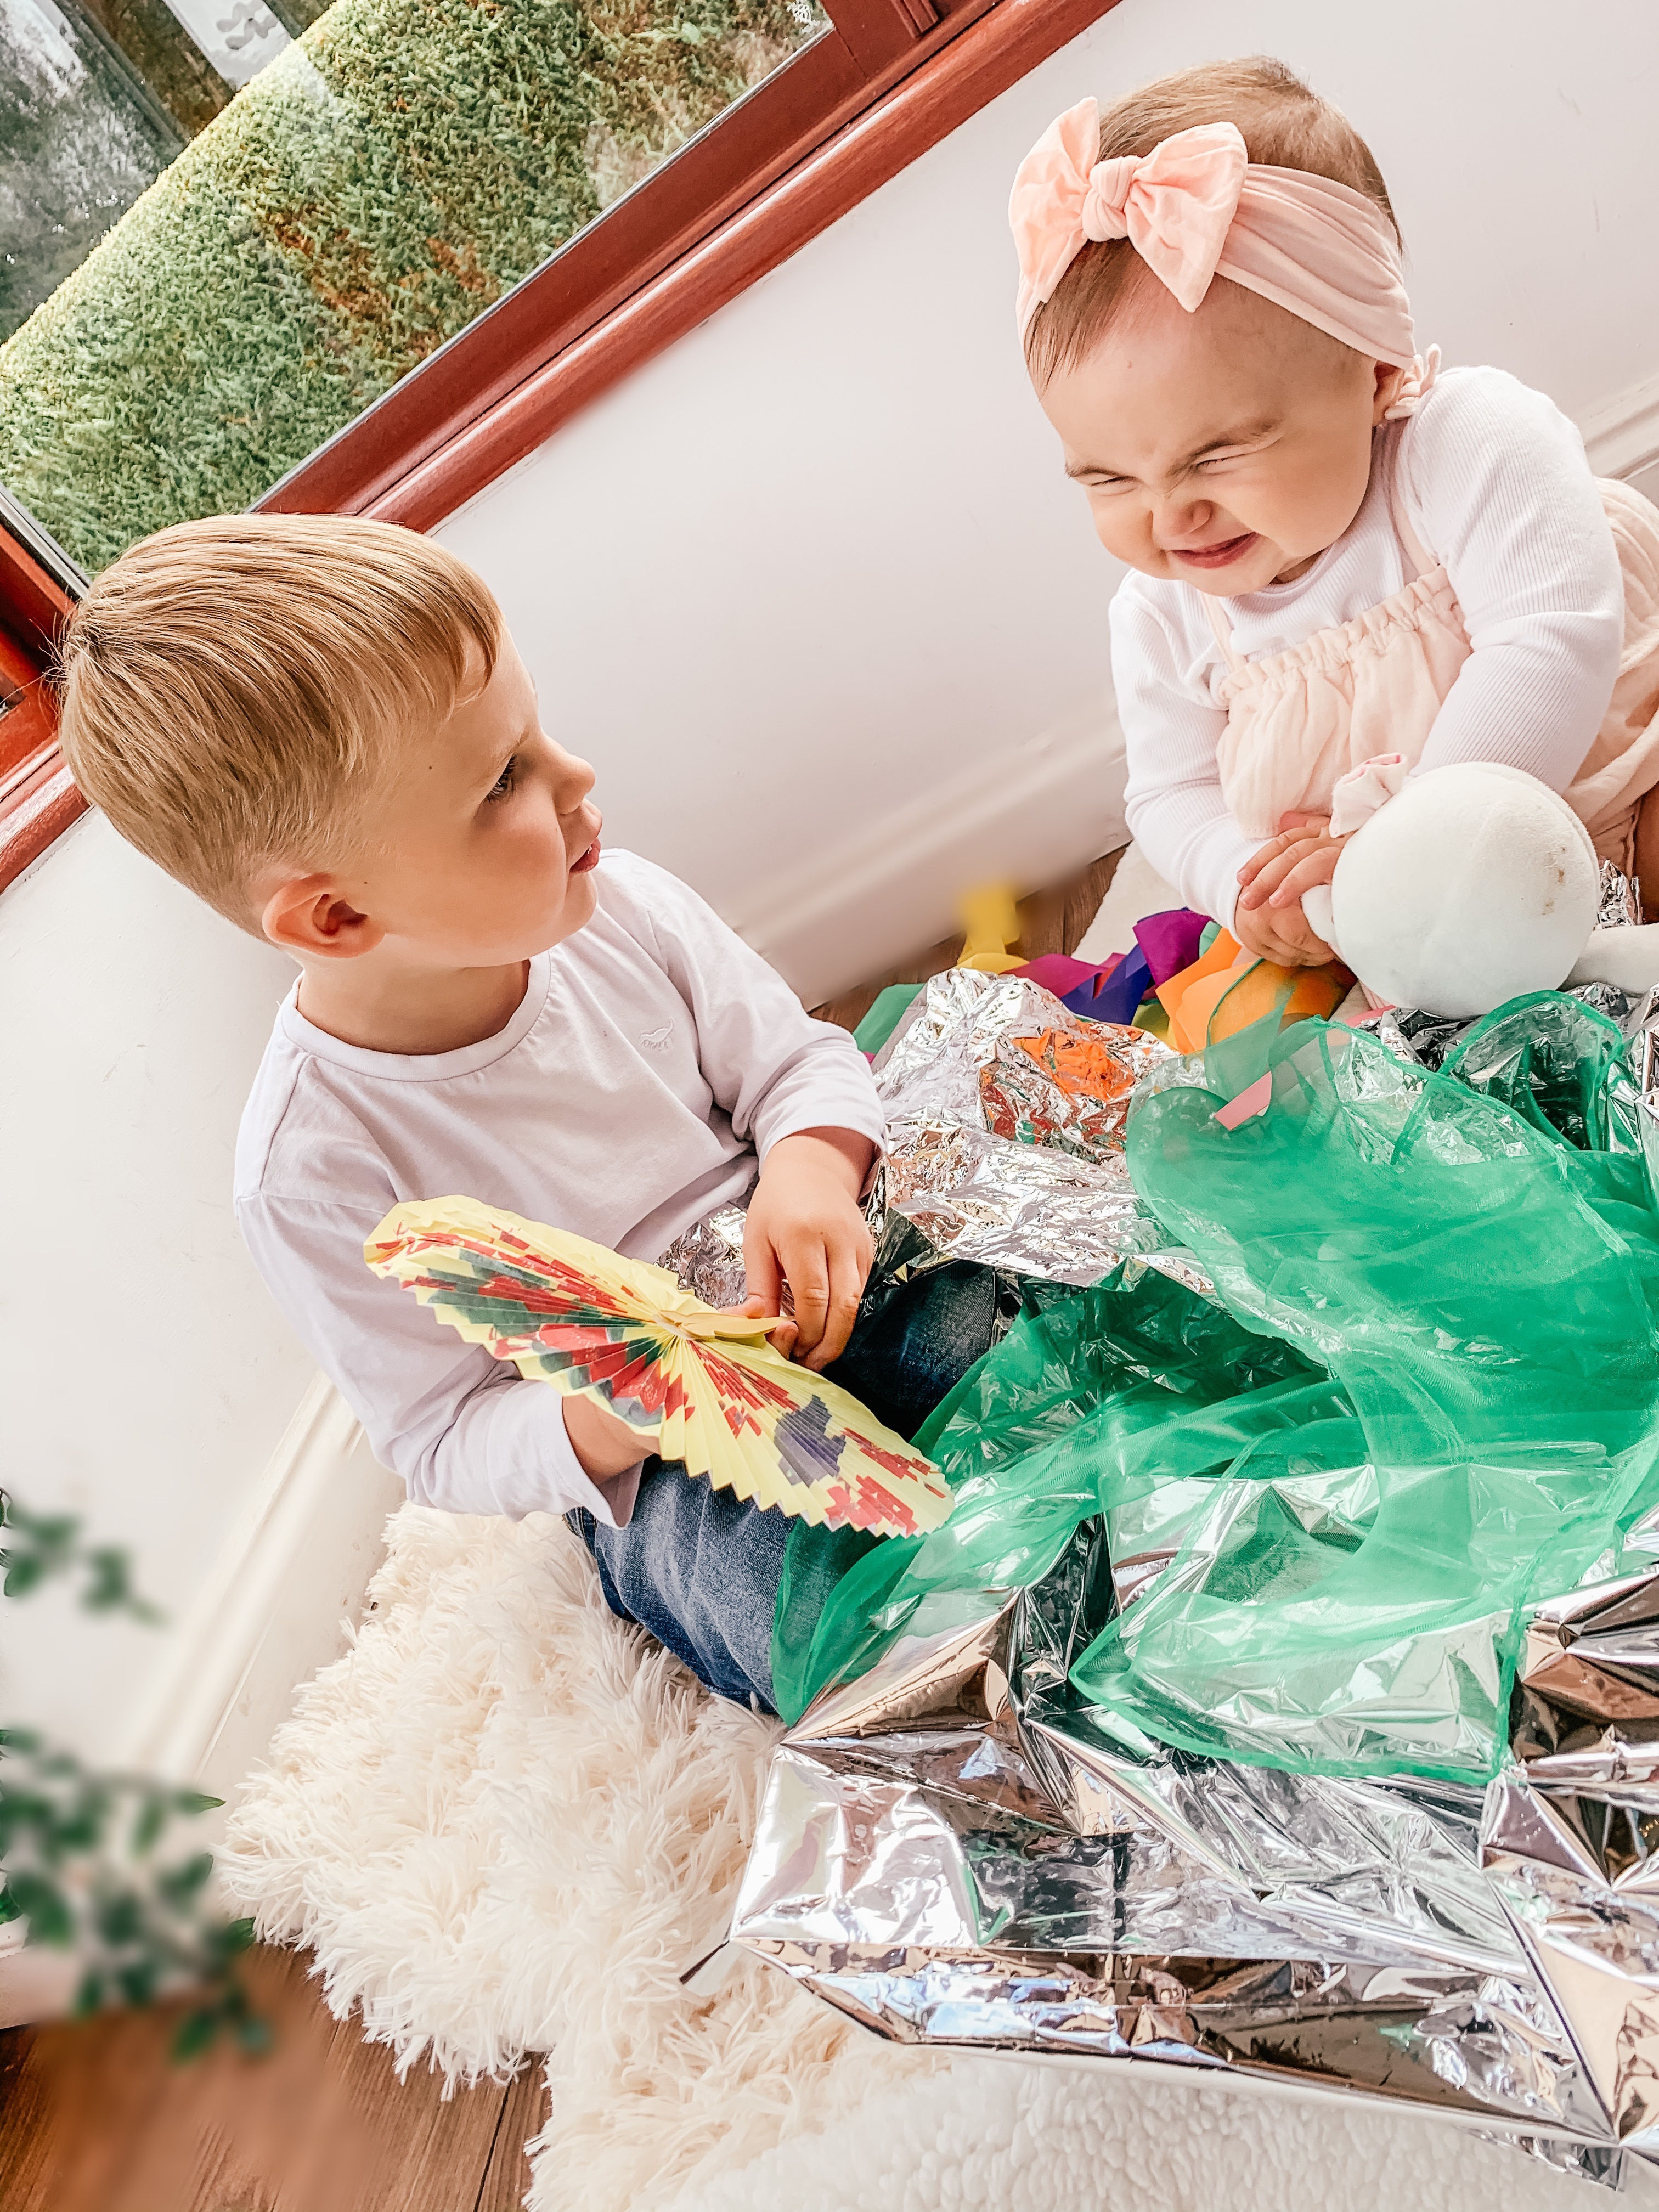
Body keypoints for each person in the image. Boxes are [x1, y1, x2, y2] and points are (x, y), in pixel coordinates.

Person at [56, 514, 998, 1711]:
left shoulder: (620, 905)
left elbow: (796, 1062)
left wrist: (810, 1173)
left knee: (997, 1338)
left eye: (538, 731)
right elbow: (441, 1438)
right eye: (506, 779)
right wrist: (622, 1417)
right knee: (793, 1606)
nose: (578, 777)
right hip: (667, 1456)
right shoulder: (313, 1169)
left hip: (810, 1280)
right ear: (337, 917)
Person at [1009, 57, 1659, 964]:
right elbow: (1170, 795)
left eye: (1216, 457)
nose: (1171, 517)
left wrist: (1415, 845)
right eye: (1109, 479)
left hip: (1607, 785)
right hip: (1415, 920)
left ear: (1379, 373)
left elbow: (1550, 640)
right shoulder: (1162, 617)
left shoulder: (1466, 444)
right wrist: (1248, 887)